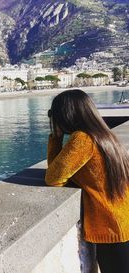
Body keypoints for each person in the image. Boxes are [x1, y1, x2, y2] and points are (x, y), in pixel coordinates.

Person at [45, 89, 129, 273]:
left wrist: (55, 138)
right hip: (121, 221)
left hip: (111, 228)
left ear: (66, 115)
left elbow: (53, 177)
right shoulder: (104, 135)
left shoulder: (82, 139)